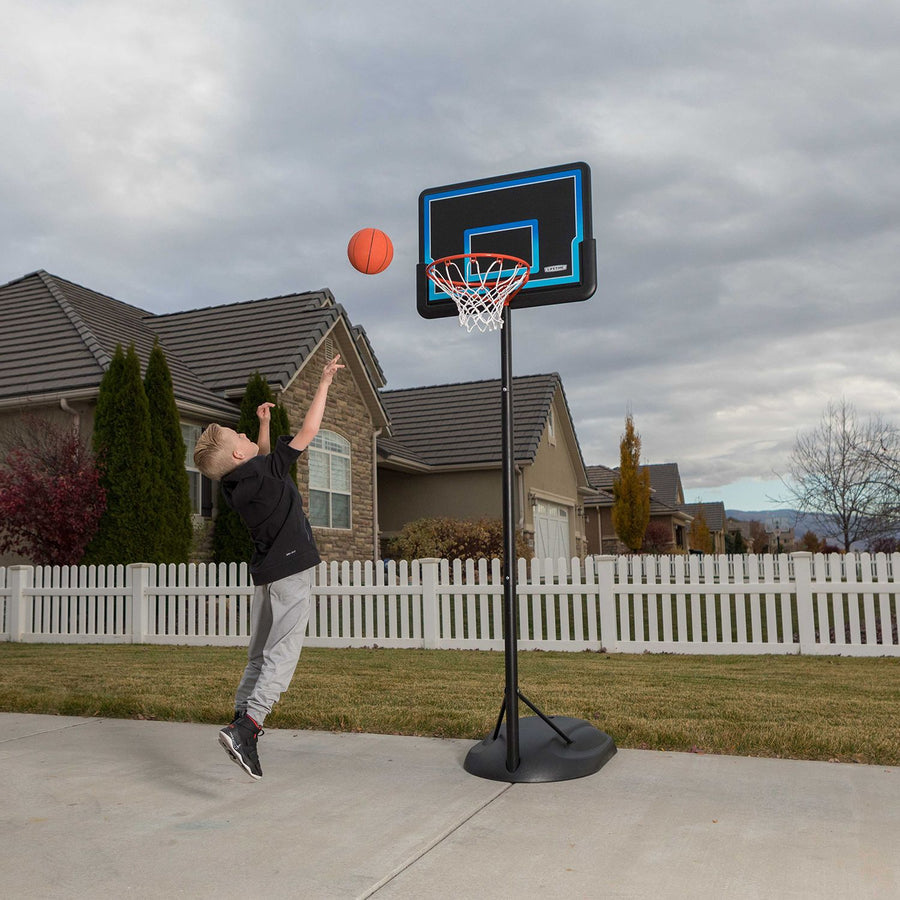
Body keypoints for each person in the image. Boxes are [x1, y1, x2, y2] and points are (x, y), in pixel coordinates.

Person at [192, 354, 344, 779]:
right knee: (283, 652)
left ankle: (239, 721)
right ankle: (250, 726)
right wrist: (324, 382)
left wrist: (260, 426)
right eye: (240, 433)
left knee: (259, 652)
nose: (245, 433)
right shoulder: (268, 471)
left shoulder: (236, 484)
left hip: (266, 575)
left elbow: (257, 456)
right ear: (240, 452)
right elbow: (310, 431)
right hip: (292, 572)